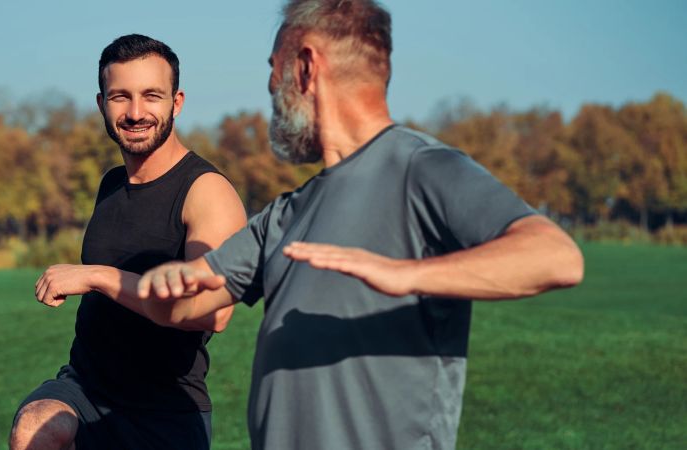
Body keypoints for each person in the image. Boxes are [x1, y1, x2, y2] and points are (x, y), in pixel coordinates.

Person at [133, 1, 585, 449]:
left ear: (306, 66)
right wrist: (152, 279)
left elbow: (556, 257)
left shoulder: (421, 167)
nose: (271, 86)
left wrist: (405, 274)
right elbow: (190, 305)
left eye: (274, 68)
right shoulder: (288, 211)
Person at [9, 34, 246, 450]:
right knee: (35, 429)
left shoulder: (207, 192)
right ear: (102, 104)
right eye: (121, 97)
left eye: (151, 96)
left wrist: (100, 277)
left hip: (166, 412)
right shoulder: (112, 183)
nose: (136, 113)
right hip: (86, 390)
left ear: (177, 102)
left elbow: (215, 313)